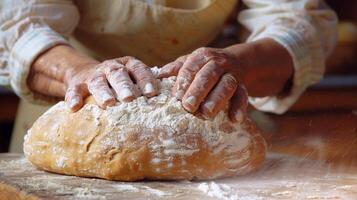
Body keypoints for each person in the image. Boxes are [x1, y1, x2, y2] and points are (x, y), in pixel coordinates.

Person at [0, 0, 337, 126]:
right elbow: (19, 24)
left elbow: (298, 26)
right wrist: (77, 72)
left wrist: (239, 63)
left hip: (203, 113)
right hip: (77, 111)